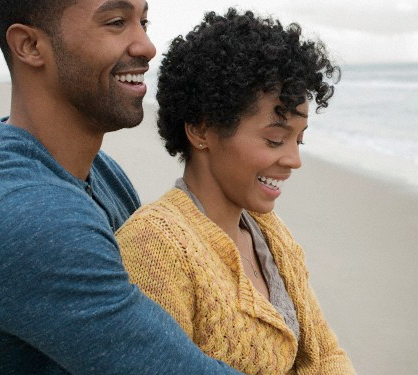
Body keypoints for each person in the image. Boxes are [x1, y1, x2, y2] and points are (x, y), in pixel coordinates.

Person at [0, 1, 244, 374]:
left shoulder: (100, 172)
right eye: (116, 22)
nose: (146, 46)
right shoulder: (33, 217)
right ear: (30, 46)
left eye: (143, 22)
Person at [116, 8, 357, 375]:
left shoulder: (269, 231)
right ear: (200, 130)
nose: (293, 160)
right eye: (276, 139)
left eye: (299, 140)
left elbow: (326, 354)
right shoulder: (155, 247)